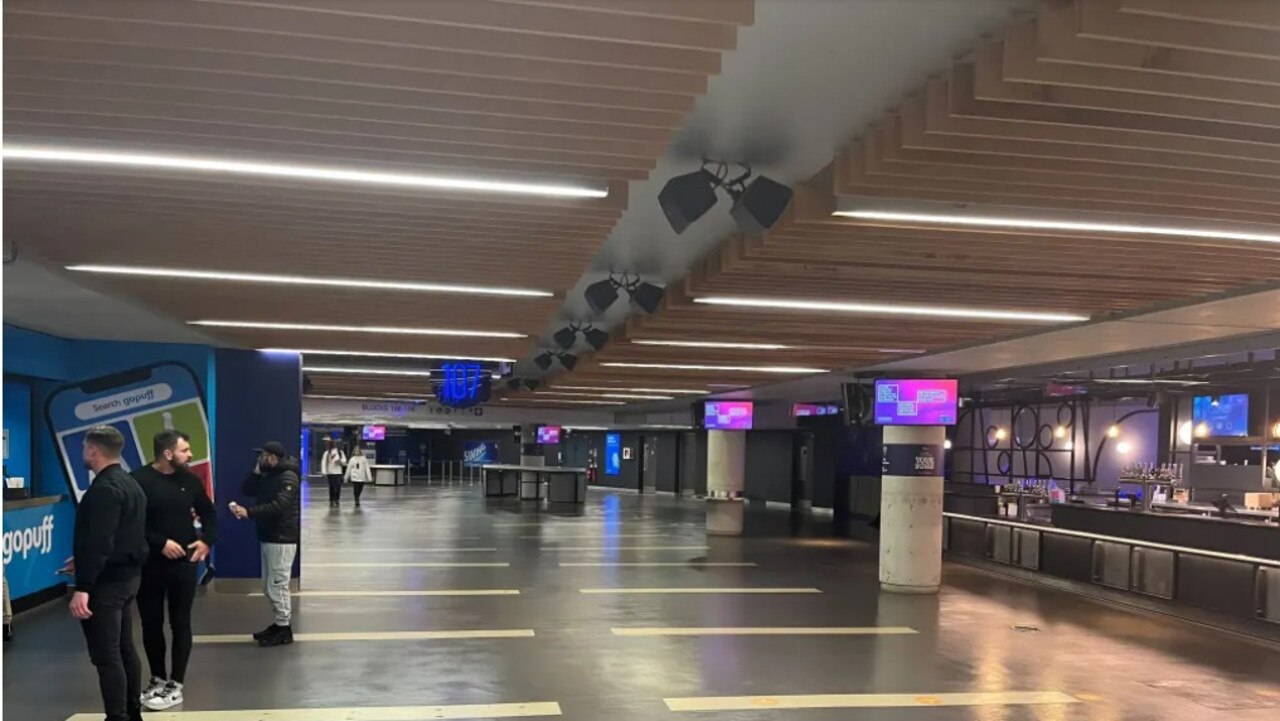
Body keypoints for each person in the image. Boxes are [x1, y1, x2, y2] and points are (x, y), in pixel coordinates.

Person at [132, 430, 218, 711]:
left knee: (180, 623)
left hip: (183, 566)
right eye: (185, 450)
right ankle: (157, 678)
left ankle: (175, 684)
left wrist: (206, 540)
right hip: (150, 565)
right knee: (151, 623)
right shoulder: (139, 481)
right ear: (167, 454)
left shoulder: (190, 480)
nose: (190, 455)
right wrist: (160, 543)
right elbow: (131, 524)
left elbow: (209, 513)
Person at [70, 425, 149, 721]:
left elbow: (102, 540)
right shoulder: (131, 484)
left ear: (94, 450)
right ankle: (131, 713)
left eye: (84, 448)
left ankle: (116, 716)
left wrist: (83, 586)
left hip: (106, 585)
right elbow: (119, 536)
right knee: (125, 648)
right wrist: (82, 557)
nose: (83, 453)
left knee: (107, 655)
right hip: (129, 578)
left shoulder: (103, 490)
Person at [229, 441, 299, 647]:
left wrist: (248, 512)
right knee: (268, 586)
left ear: (272, 458)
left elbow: (281, 505)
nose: (259, 459)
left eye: (262, 456)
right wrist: (256, 473)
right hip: (269, 535)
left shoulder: (288, 477)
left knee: (278, 584)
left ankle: (284, 628)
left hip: (282, 538)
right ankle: (278, 623)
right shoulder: (269, 475)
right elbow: (247, 489)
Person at [319, 438, 347, 508]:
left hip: (338, 472)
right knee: (332, 487)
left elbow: (344, 461)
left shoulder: (340, 452)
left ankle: (337, 500)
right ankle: (331, 500)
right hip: (330, 473)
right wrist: (324, 472)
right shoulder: (327, 453)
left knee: (338, 487)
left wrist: (340, 461)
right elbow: (323, 462)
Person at [344, 443, 372, 508]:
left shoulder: (364, 459)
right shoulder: (352, 459)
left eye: (358, 450)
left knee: (360, 489)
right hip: (355, 477)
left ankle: (357, 497)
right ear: (354, 451)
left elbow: (367, 468)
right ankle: (357, 500)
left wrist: (369, 477)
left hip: (361, 477)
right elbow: (348, 469)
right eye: (355, 450)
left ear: (360, 451)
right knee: (356, 489)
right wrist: (346, 477)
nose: (357, 451)